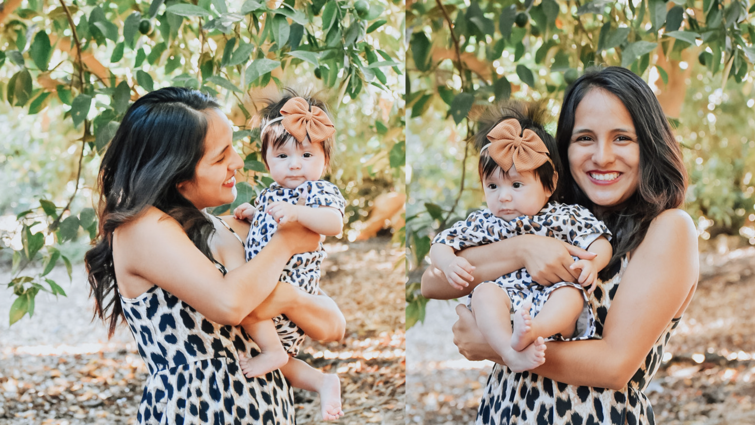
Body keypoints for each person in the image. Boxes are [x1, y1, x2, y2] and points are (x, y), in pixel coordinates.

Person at [421, 66, 698, 424]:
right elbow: (433, 282)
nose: (602, 156)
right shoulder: (547, 215)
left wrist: (496, 347)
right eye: (584, 138)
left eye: (622, 138)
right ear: (562, 149)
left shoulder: (667, 228)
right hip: (504, 412)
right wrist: (523, 249)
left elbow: (615, 367)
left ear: (648, 144)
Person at [85, 87, 345, 424]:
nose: (238, 161)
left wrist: (284, 294)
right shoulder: (141, 228)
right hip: (198, 410)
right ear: (175, 173)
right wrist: (285, 245)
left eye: (233, 148)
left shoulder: (234, 228)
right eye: (221, 157)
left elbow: (333, 324)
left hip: (267, 410)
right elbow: (229, 304)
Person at [429, 102, 612, 374]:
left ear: (549, 186)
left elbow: (599, 241)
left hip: (550, 297)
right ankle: (509, 351)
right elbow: (441, 244)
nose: (503, 196)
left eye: (516, 185)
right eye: (492, 186)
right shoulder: (483, 222)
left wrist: (592, 265)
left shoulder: (563, 215)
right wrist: (447, 263)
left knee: (570, 294)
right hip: (505, 300)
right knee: (483, 294)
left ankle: (533, 330)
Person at [231, 92, 345, 421]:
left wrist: (297, 213)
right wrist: (256, 215)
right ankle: (324, 382)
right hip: (271, 279)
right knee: (287, 366)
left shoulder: (316, 191)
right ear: (266, 161)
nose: (295, 164)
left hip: (290, 284)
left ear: (324, 160)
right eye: (282, 155)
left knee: (245, 303)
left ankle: (273, 351)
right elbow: (272, 228)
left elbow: (333, 223)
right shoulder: (271, 194)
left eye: (307, 154)